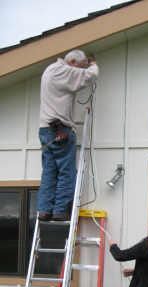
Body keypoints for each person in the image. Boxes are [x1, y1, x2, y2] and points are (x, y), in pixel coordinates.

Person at [38, 49, 99, 221]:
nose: (79, 71)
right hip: (59, 129)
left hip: (45, 130)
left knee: (49, 172)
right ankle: (60, 211)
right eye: (79, 67)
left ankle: (44, 210)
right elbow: (90, 76)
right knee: (66, 172)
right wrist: (92, 64)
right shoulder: (63, 70)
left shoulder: (50, 69)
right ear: (72, 62)